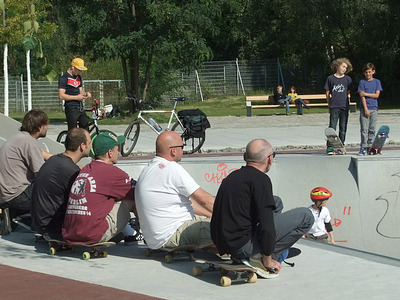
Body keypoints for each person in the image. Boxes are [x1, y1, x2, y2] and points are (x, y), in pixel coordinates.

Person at [210, 139, 313, 278]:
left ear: (245, 157)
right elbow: (267, 226)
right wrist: (267, 257)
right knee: (306, 216)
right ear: (269, 159)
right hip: (242, 246)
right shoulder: (261, 180)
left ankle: (257, 250)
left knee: (276, 202)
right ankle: (260, 257)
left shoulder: (232, 176)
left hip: (223, 242)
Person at [135, 131, 215, 250]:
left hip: (155, 238)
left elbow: (188, 203)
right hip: (172, 233)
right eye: (182, 147)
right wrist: (231, 217)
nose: (183, 151)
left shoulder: (149, 169)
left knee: (216, 222)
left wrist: (211, 215)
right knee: (231, 229)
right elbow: (204, 200)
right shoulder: (172, 168)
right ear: (173, 150)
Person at [62, 131, 136, 244]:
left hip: (70, 232)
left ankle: (128, 231)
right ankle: (145, 235)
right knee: (132, 199)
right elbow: (139, 191)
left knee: (112, 195)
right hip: (91, 234)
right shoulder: (113, 174)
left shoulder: (86, 169)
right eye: (117, 149)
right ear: (110, 153)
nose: (119, 152)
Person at [31, 128, 92, 239]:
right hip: (53, 227)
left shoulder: (55, 160)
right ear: (82, 146)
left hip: (40, 222)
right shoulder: (71, 171)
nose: (91, 146)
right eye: (89, 143)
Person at [0, 110, 51, 234]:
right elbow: (41, 174)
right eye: (46, 124)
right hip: (17, 196)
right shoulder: (29, 142)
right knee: (54, 186)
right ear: (40, 127)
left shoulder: (20, 138)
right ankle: (47, 225)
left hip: (6, 193)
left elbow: (45, 154)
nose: (48, 127)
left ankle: (12, 212)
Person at [324, 57, 354, 155]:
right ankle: (330, 147)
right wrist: (329, 105)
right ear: (337, 66)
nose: (344, 69)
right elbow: (327, 93)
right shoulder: (330, 78)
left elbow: (348, 92)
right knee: (332, 127)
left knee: (343, 127)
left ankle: (341, 145)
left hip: (344, 106)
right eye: (343, 66)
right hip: (334, 106)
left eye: (346, 68)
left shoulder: (347, 79)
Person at [58, 57, 92, 131]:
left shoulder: (78, 77)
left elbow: (80, 91)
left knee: (85, 127)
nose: (80, 72)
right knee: (73, 131)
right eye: (78, 69)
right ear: (72, 67)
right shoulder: (63, 78)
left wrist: (86, 93)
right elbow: (61, 95)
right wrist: (76, 97)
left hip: (80, 107)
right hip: (71, 108)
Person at [357, 63, 383, 155]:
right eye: (366, 72)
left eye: (369, 72)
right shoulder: (362, 82)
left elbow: (377, 95)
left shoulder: (377, 82)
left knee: (372, 129)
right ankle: (363, 147)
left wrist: (366, 94)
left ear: (373, 72)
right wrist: (366, 109)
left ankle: (371, 146)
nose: (368, 74)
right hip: (365, 108)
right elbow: (362, 96)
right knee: (364, 129)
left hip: (374, 108)